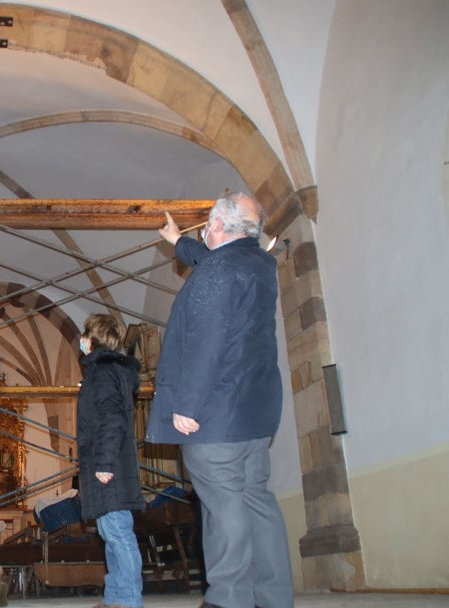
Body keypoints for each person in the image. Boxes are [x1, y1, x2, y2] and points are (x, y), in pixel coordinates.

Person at [146, 193, 293, 608]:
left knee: (222, 507)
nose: (204, 230)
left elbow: (204, 345)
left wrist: (186, 406)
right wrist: (179, 242)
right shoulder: (259, 264)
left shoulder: (217, 272)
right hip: (253, 416)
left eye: (207, 224)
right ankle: (274, 597)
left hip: (214, 418)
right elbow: (216, 260)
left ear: (217, 226)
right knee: (257, 503)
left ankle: (228, 598)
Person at [75, 314, 145, 608]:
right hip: (108, 463)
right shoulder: (105, 371)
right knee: (109, 531)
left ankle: (129, 599)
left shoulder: (102, 373)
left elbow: (112, 419)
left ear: (91, 340)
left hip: (109, 465)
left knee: (118, 532)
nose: (82, 339)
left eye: (84, 334)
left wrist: (103, 463)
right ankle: (114, 596)